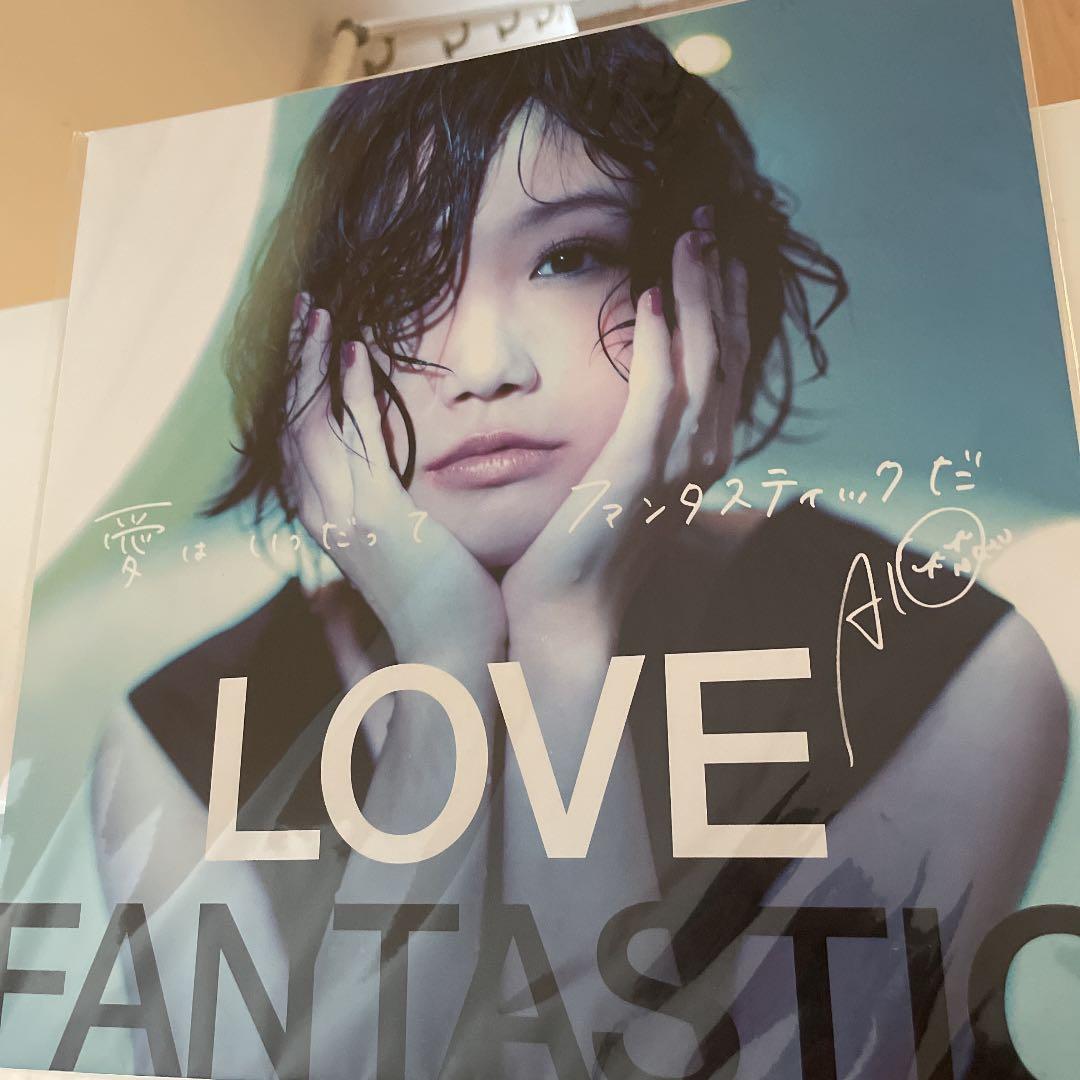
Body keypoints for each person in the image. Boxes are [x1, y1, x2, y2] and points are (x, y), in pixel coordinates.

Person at [90, 26, 1068, 1080]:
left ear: (713, 297)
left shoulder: (936, 665)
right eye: (403, 278)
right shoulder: (180, 737)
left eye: (569, 258)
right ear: (308, 352)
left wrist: (562, 640)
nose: (484, 363)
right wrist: (444, 663)